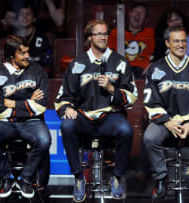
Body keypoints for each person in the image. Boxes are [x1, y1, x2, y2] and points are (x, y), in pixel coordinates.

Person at [55, 19, 137, 202]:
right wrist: (67, 107)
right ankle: (78, 177)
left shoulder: (120, 63)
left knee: (126, 130)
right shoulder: (77, 64)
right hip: (84, 117)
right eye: (98, 34)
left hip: (111, 117)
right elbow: (63, 96)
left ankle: (117, 176)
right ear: (90, 37)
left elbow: (132, 97)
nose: (103, 37)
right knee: (67, 126)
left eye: (105, 33)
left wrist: (111, 89)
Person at [143, 26, 189, 200]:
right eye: (176, 41)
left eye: (184, 41)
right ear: (167, 43)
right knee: (149, 137)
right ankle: (161, 178)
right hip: (165, 122)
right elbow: (150, 100)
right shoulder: (156, 69)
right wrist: (167, 122)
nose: (181, 45)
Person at [0, 35, 51, 199]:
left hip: (32, 122)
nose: (28, 56)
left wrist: (11, 104)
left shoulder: (37, 72)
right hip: (3, 123)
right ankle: (7, 178)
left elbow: (40, 107)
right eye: (23, 53)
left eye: (27, 52)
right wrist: (28, 103)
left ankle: (26, 179)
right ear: (12, 56)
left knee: (44, 140)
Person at [108, 3, 155, 78]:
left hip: (142, 71)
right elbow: (109, 54)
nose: (138, 14)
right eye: (136, 11)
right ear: (130, 14)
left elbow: (156, 55)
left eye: (142, 13)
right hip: (121, 70)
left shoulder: (150, 33)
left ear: (145, 18)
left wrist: (152, 66)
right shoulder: (116, 32)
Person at [14, 3, 53, 74]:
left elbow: (46, 59)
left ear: (34, 19)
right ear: (17, 18)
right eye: (22, 14)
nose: (25, 17)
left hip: (36, 73)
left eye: (28, 14)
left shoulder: (41, 37)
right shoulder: (12, 37)